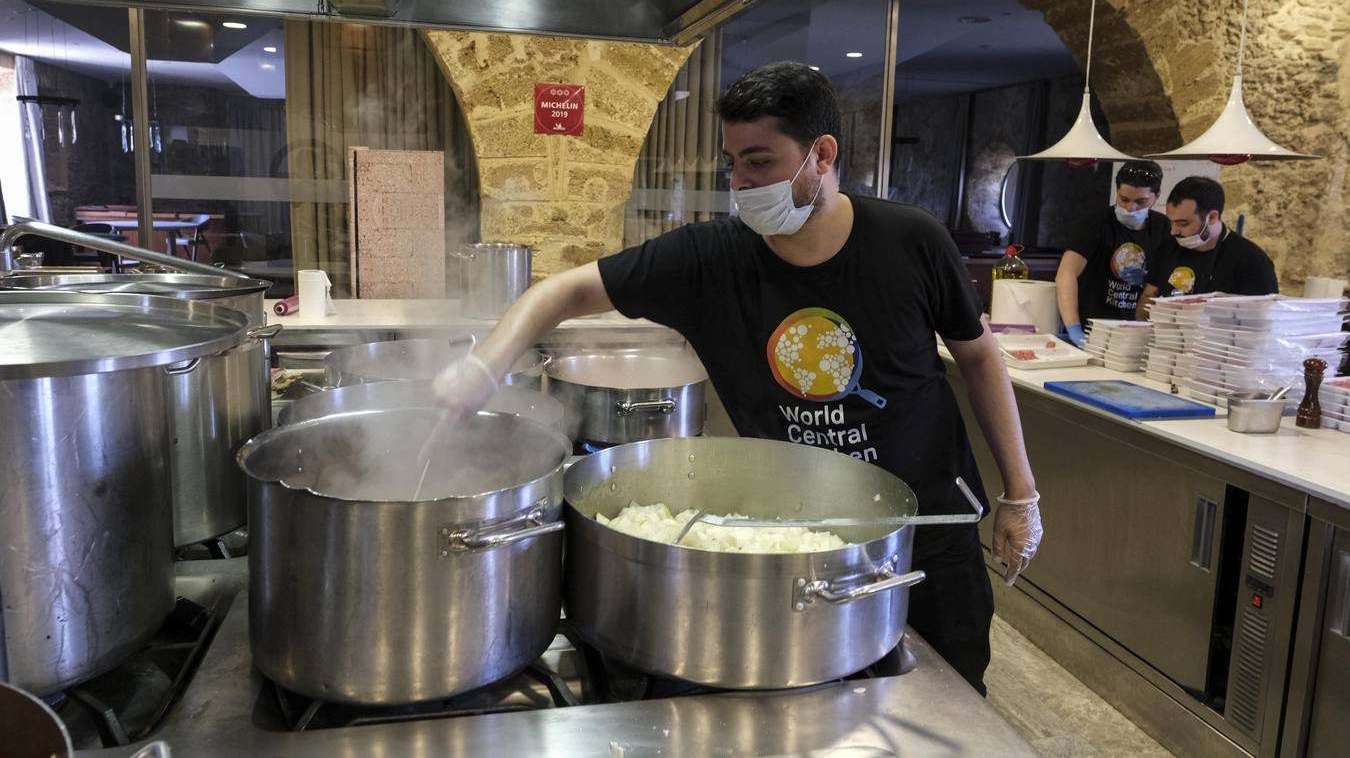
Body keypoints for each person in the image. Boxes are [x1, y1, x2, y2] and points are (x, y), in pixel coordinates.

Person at [437, 62, 1042, 696]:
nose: (741, 184)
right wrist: (484, 365)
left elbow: (978, 358)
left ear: (822, 154)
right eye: (732, 164)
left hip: (924, 535)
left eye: (759, 162)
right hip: (792, 542)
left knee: (946, 696)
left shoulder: (911, 240)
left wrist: (1020, 494)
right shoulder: (711, 260)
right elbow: (560, 292)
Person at [1055, 160, 1169, 346]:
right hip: (1093, 331)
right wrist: (1074, 328)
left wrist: (1150, 279)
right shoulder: (1096, 223)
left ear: (1156, 197)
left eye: (1141, 202)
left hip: (1140, 334)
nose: (1131, 208)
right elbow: (1066, 274)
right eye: (1124, 199)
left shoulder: (1164, 227)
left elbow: (1169, 281)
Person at [1137, 175, 1278, 318]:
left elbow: (1263, 319)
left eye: (1183, 223)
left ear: (1212, 217)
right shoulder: (1168, 247)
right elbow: (1149, 295)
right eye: (1171, 222)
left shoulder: (1250, 260)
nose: (1174, 231)